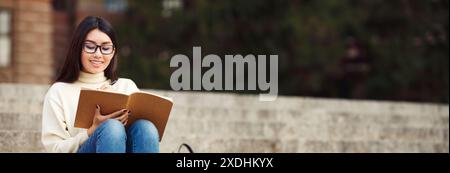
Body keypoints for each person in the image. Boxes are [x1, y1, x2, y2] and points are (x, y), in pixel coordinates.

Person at [41, 16, 159, 153]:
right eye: (90, 47)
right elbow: (54, 148)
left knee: (146, 127)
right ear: (78, 48)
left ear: (113, 51)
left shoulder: (126, 86)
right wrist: (91, 131)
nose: (98, 54)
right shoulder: (59, 91)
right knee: (112, 128)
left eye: (106, 48)